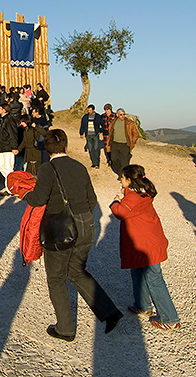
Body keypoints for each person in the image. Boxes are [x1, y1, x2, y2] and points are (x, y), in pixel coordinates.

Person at [23, 129, 123, 341]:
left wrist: (22, 192)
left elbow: (38, 199)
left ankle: (65, 328)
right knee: (77, 271)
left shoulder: (47, 169)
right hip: (86, 224)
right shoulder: (79, 166)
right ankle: (110, 312)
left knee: (57, 278)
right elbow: (92, 198)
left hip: (62, 229)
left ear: (46, 147)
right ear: (66, 146)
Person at [109, 164, 180, 330]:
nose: (120, 179)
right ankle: (143, 305)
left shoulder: (132, 198)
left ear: (129, 180)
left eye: (122, 177)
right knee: (137, 270)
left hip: (146, 245)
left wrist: (115, 201)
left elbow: (120, 213)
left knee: (154, 278)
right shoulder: (144, 193)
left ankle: (170, 318)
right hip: (149, 241)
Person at [107, 108, 140, 178]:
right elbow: (110, 133)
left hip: (125, 144)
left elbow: (136, 133)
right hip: (115, 143)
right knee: (113, 159)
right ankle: (121, 171)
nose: (122, 116)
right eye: (121, 114)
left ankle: (123, 176)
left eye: (123, 114)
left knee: (125, 162)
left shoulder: (129, 123)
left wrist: (132, 142)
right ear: (117, 115)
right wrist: (109, 143)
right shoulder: (113, 122)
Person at [0, 103, 20, 194]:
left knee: (9, 167)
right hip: (3, 146)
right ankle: (11, 184)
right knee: (1, 166)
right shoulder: (4, 119)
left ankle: (11, 188)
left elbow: (13, 133)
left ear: (4, 110)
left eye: (0, 108)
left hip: (8, 146)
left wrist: (14, 147)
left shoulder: (9, 119)